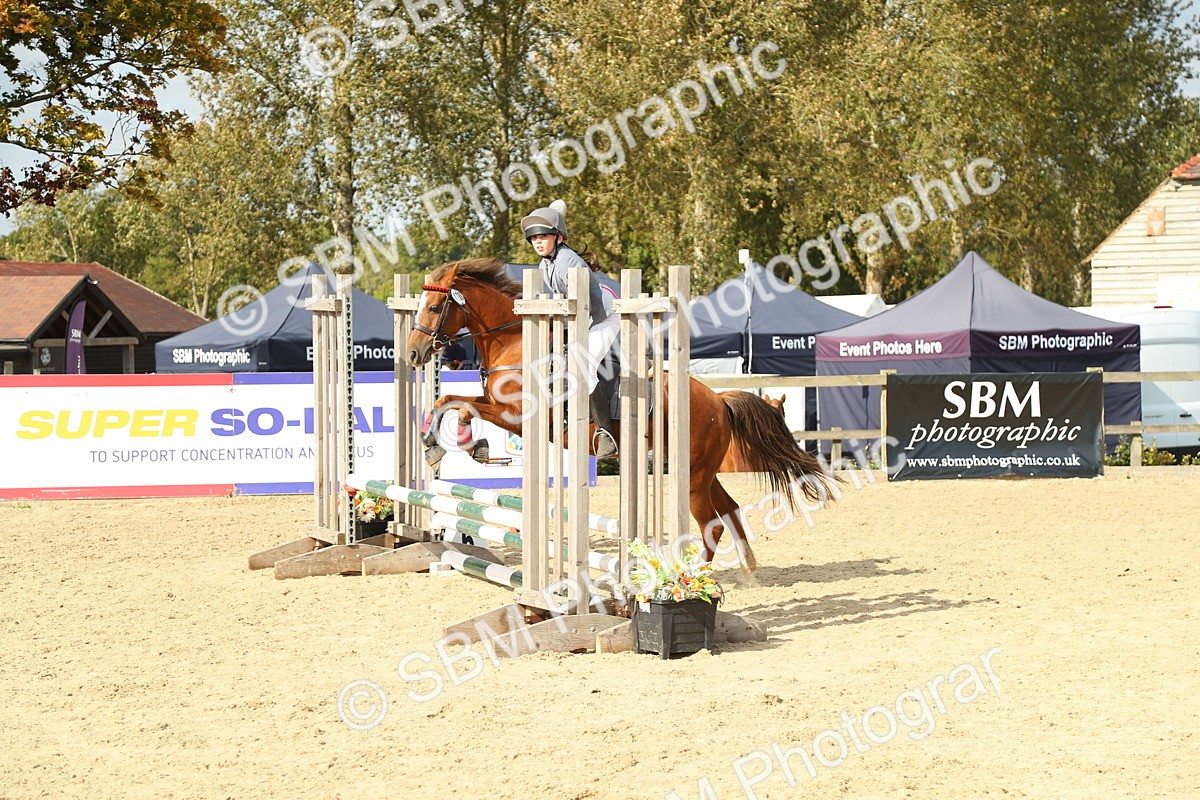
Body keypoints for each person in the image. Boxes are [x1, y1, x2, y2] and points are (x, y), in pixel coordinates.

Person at [519, 199, 619, 457]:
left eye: (543, 237)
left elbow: (585, 306)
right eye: (534, 239)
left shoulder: (568, 261)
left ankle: (605, 432)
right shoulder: (546, 264)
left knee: (583, 366)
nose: (537, 242)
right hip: (581, 317)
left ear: (559, 238)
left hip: (603, 316)